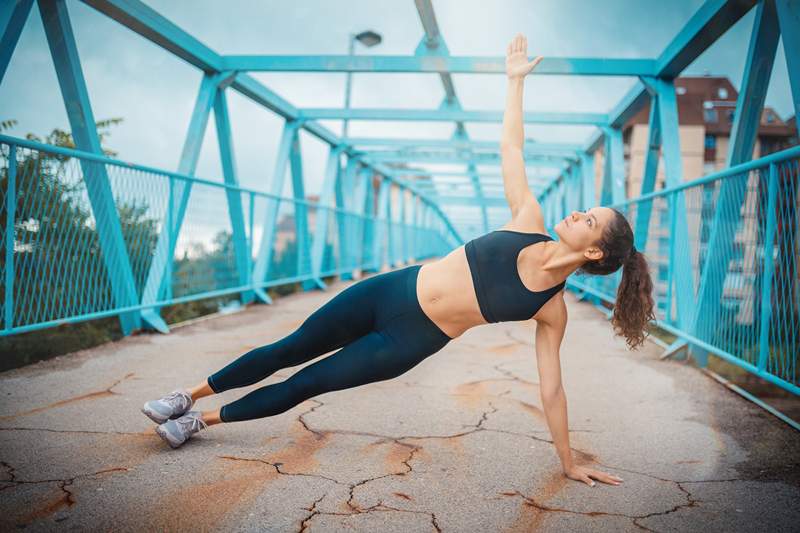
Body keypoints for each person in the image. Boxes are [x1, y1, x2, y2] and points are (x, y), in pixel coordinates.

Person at [142, 34, 654, 488]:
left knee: (306, 384)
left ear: (593, 252)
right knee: (288, 348)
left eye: (589, 219)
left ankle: (200, 422)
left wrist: (567, 462)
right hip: (391, 290)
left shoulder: (552, 309)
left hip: (409, 341)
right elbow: (512, 147)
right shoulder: (529, 218)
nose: (578, 212)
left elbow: (553, 389)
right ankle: (183, 396)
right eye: (586, 209)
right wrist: (515, 82)